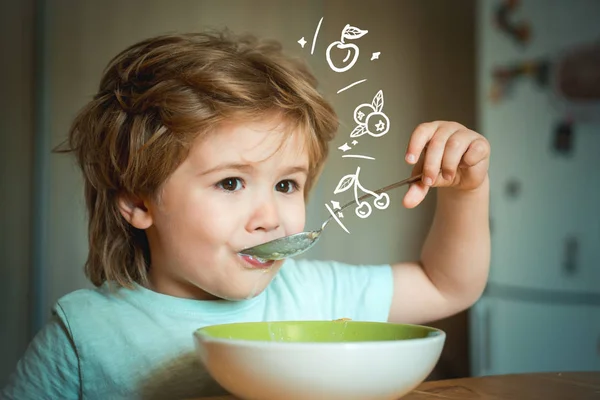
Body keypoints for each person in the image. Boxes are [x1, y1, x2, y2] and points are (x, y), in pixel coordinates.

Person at [1, 29, 490, 399]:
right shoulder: (85, 335)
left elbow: (446, 284)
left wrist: (466, 193)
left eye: (286, 184)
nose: (269, 216)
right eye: (231, 182)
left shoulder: (315, 295)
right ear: (138, 202)